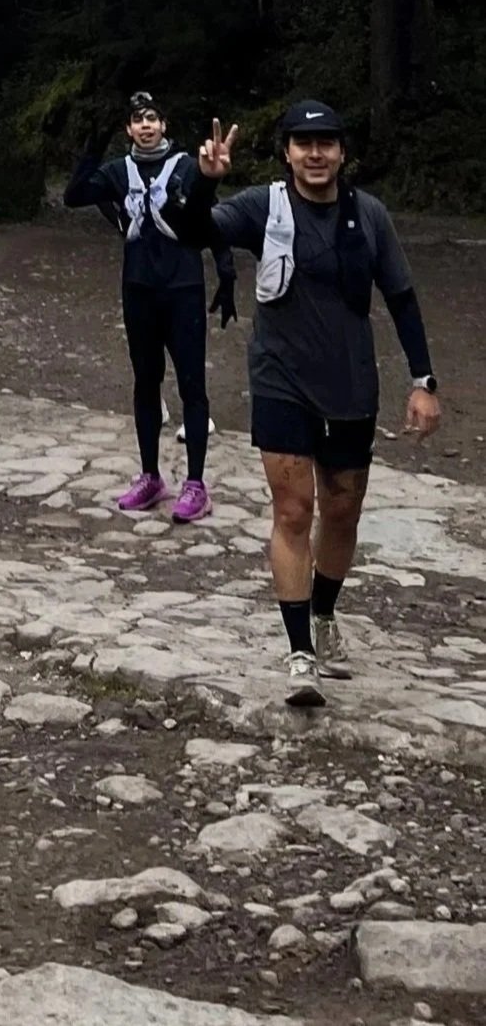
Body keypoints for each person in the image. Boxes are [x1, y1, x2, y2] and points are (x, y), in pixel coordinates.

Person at [170, 97, 440, 706]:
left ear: (343, 153)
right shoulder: (265, 207)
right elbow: (191, 231)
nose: (315, 155)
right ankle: (299, 654)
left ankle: (323, 614)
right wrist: (201, 181)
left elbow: (401, 295)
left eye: (326, 144)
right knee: (294, 511)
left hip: (350, 385)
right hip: (279, 380)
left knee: (341, 512)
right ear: (287, 152)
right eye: (302, 144)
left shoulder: (368, 215)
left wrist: (423, 381)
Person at [64, 90, 236, 523]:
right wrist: (92, 145)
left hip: (183, 288)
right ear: (128, 129)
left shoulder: (183, 166)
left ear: (164, 126)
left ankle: (196, 483)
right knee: (146, 381)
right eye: (137, 120)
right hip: (139, 288)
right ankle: (150, 476)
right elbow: (74, 195)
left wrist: (227, 275)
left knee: (192, 383)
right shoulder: (118, 171)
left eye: (153, 119)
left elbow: (207, 219)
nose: (145, 126)